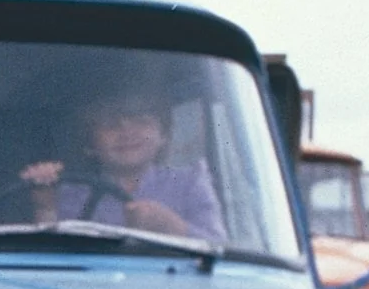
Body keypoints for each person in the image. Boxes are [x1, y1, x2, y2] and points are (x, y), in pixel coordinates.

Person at [18, 90, 227, 243]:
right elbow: (55, 253)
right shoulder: (73, 193)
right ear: (90, 145)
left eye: (142, 121)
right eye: (110, 124)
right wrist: (45, 206)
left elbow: (219, 248)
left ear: (163, 135)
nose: (126, 132)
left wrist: (172, 227)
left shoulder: (190, 182)